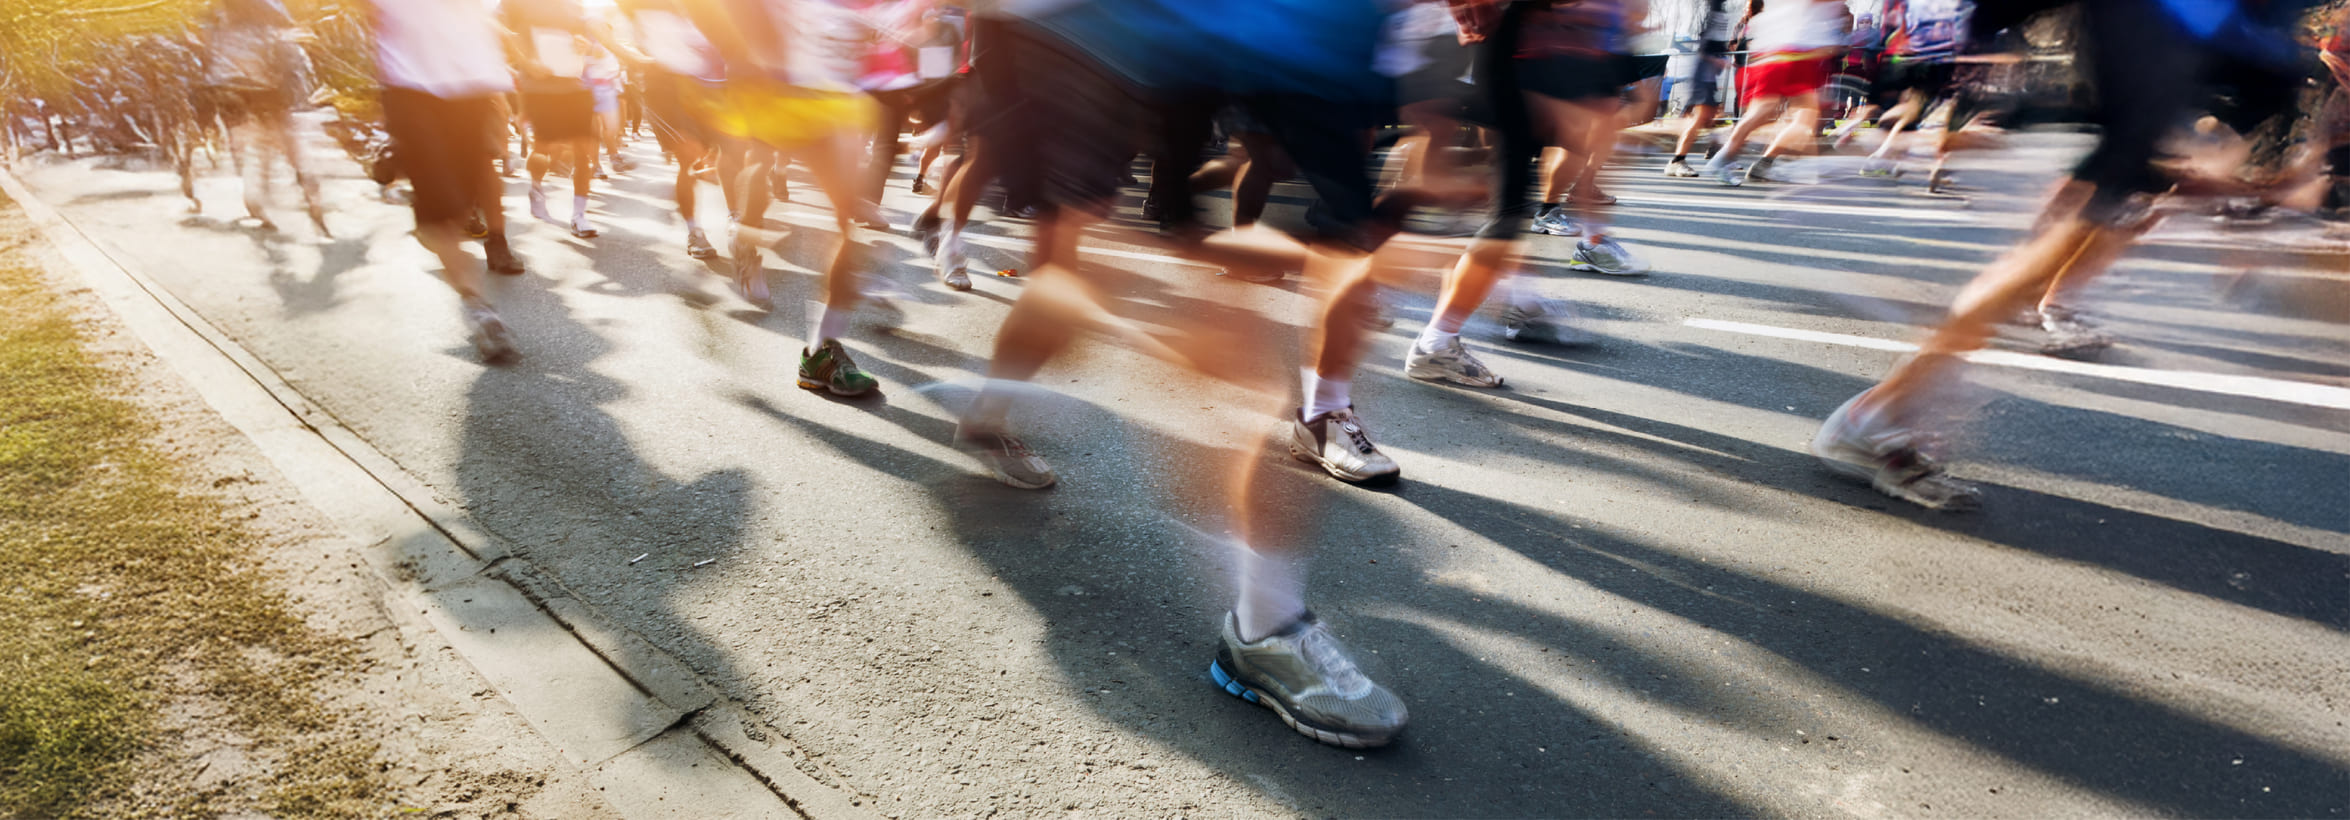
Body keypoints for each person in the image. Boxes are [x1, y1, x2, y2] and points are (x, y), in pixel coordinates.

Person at [1810, 0, 2314, 509]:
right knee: (2053, 248)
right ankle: (1876, 417)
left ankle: (1885, 412)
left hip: (2179, 76)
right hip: (2157, 71)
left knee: (2088, 230)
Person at [683, 0, 889, 397]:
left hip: (834, 88)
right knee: (760, 160)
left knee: (848, 216)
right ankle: (745, 233)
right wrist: (741, 49)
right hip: (772, 82)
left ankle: (819, 352)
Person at [367, 0, 528, 362]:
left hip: (474, 85)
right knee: (442, 216)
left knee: (458, 210)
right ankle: (480, 309)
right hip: (412, 87)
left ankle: (469, 250)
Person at [196, 0, 328, 235]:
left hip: (229, 95)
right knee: (290, 149)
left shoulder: (220, 33)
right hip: (266, 95)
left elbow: (207, 66)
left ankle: (255, 197)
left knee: (250, 145)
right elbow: (290, 68)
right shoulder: (271, 33)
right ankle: (312, 201)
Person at [621, 0, 730, 259]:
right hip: (664, 88)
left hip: (709, 85)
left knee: (725, 155)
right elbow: (603, 26)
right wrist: (633, 56)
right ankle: (695, 231)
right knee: (689, 156)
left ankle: (736, 220)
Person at [1699, 0, 1847, 184]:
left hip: (1781, 49)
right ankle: (1730, 155)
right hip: (1794, 51)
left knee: (1775, 112)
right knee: (1792, 114)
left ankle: (1740, 158)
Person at [1664, 0, 1739, 177]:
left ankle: (1717, 153)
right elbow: (1704, 51)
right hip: (1702, 75)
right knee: (1701, 118)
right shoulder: (1716, 14)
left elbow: (1713, 48)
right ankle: (1677, 161)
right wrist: (1719, 61)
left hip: (1707, 76)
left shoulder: (1720, 15)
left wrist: (1722, 58)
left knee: (1708, 118)